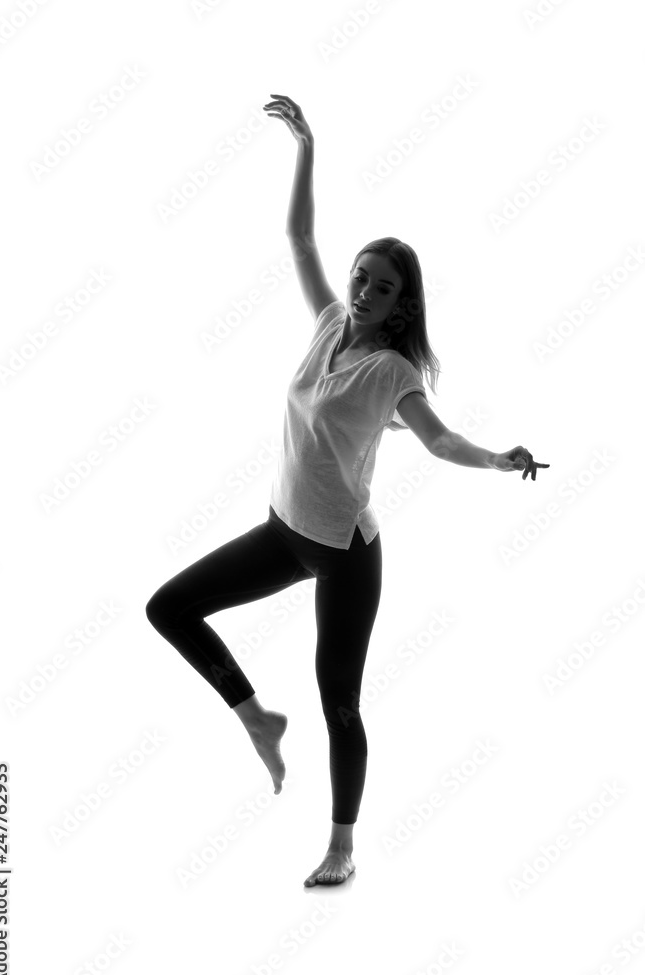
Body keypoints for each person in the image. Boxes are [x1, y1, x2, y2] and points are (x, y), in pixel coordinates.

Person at [145, 94, 550, 888]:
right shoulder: (329, 324)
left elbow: (437, 440)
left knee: (339, 704)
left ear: (404, 306)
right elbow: (297, 239)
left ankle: (342, 845)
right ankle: (255, 716)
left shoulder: (392, 372)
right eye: (362, 277)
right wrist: (306, 147)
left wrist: (498, 459)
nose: (363, 291)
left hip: (342, 554)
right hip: (282, 530)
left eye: (383, 287)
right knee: (169, 607)